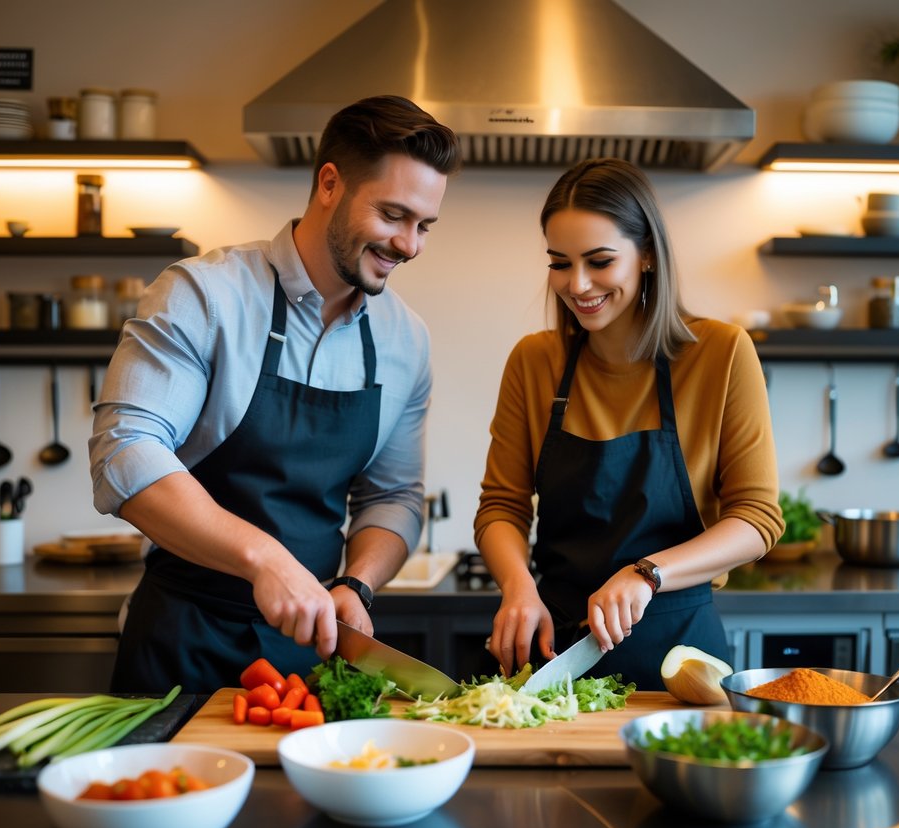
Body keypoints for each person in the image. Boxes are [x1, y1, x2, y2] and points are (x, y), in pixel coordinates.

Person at [90, 95, 462, 693]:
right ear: (330, 184)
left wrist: (356, 583)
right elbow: (124, 453)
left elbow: (394, 497)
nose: (410, 244)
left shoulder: (405, 340)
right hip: (181, 643)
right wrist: (264, 560)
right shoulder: (203, 295)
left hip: (307, 658)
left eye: (424, 226)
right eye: (393, 215)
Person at [475, 158, 783, 690]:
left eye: (599, 261)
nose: (577, 284)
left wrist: (648, 573)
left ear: (646, 257)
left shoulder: (721, 354)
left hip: (680, 656)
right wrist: (518, 586)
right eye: (559, 262)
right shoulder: (534, 362)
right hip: (556, 650)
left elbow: (757, 520)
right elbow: (501, 507)